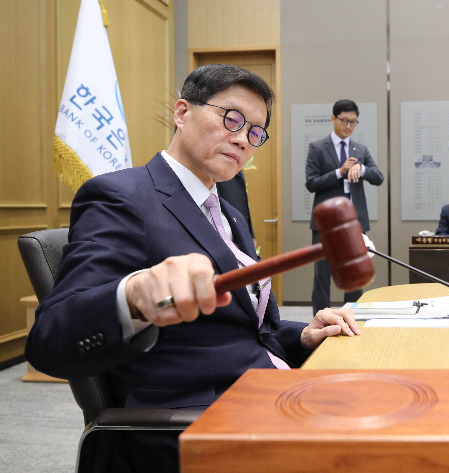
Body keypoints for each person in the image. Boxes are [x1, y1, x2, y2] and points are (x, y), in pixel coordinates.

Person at [26, 65, 361, 473]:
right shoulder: (122, 197)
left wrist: (304, 335)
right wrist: (133, 298)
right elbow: (53, 339)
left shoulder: (230, 215)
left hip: (265, 393)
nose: (242, 139)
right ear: (182, 112)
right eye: (231, 118)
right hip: (196, 425)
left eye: (256, 132)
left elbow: (252, 329)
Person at [305, 99, 384, 315]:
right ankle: (321, 320)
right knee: (322, 274)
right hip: (326, 223)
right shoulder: (318, 147)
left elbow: (378, 177)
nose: (348, 126)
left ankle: (353, 317)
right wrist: (340, 172)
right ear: (333, 119)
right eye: (344, 120)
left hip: (354, 221)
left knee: (355, 273)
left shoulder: (361, 149)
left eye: (353, 122)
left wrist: (362, 168)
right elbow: (311, 183)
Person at [217, 169, 255, 240]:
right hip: (226, 233)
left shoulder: (237, 168)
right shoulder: (218, 171)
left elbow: (243, 202)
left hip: (242, 232)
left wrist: (250, 233)